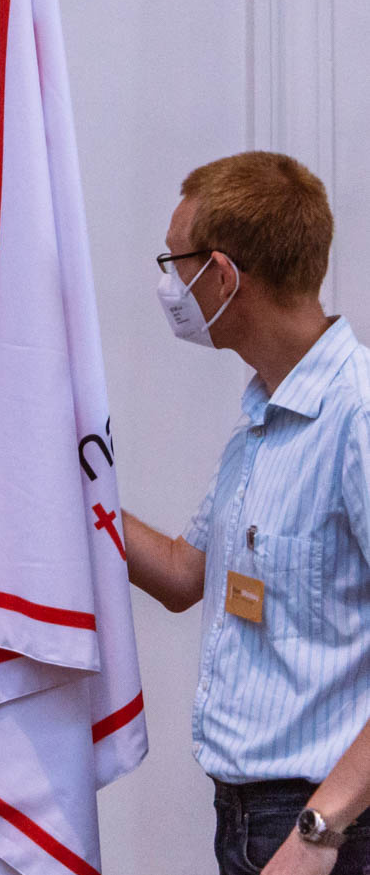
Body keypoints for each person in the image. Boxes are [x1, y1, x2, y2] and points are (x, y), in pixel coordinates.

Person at [124, 152, 370, 875]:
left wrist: (319, 829)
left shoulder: (355, 415)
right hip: (243, 817)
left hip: (329, 829)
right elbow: (182, 572)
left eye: (177, 262)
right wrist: (69, 489)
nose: (171, 286)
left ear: (224, 276)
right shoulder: (263, 409)